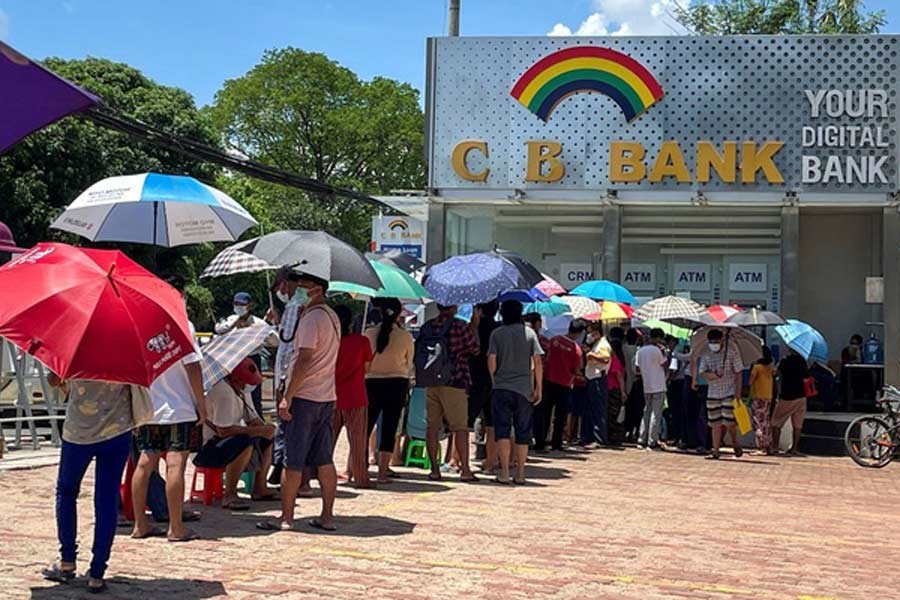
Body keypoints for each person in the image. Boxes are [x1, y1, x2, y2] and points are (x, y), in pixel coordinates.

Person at [260, 272, 341, 532]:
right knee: (324, 459)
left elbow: (304, 360)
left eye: (303, 287)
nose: (298, 292)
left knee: (292, 460)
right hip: (326, 397)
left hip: (304, 397)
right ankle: (327, 515)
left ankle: (286, 517)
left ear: (317, 289)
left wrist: (288, 397)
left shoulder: (311, 318)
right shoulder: (331, 316)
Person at [131, 274, 206, 543]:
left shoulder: (141, 325)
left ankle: (140, 524)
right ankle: (176, 527)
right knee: (176, 463)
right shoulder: (182, 325)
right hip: (180, 407)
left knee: (144, 463)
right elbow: (193, 366)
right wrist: (202, 405)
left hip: (148, 407)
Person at [42, 377, 135, 593]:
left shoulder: (75, 350)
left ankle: (67, 560)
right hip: (117, 430)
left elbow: (53, 380)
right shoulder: (126, 351)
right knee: (106, 500)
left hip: (78, 431)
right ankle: (97, 572)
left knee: (66, 492)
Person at [194, 358, 277, 509]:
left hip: (229, 440)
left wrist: (265, 428)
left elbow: (252, 419)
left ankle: (260, 486)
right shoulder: (222, 391)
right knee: (243, 442)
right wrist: (257, 430)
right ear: (236, 378)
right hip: (208, 448)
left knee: (268, 438)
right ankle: (230, 494)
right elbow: (224, 430)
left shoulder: (242, 391)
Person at [419, 304, 480, 482]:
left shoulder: (428, 326)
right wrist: (474, 327)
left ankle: (434, 469)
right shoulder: (459, 326)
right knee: (460, 427)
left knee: (432, 426)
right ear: (453, 306)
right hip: (455, 380)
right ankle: (465, 470)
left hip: (431, 380)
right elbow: (474, 349)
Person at [488, 300, 544, 484]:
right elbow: (537, 361)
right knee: (523, 432)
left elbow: (492, 361)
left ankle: (504, 471)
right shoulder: (529, 334)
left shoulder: (497, 334)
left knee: (502, 430)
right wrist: (538, 388)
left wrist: (493, 379)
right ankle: (520, 473)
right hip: (524, 390)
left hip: (501, 387)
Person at [364, 298, 413, 484]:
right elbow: (409, 363)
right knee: (390, 428)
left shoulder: (368, 333)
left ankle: (361, 467)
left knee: (366, 427)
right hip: (397, 383)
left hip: (371, 383)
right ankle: (383, 471)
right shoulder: (405, 336)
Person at [269, 266, 303, 485]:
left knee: (285, 426)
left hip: (287, 375)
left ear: (284, 283)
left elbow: (288, 343)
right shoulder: (298, 306)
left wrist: (282, 381)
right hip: (290, 374)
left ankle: (281, 468)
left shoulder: (295, 306)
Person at [334, 305, 375, 488]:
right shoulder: (362, 342)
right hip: (356, 396)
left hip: (332, 396)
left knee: (326, 442)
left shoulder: (330, 342)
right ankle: (360, 478)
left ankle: (320, 474)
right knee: (358, 442)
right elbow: (367, 369)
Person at [215, 292, 270, 417]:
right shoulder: (230, 320)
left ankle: (257, 422)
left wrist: (255, 332)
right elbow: (219, 330)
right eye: (236, 304)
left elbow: (274, 339)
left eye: (242, 304)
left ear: (249, 306)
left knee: (254, 395)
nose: (239, 307)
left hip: (251, 359)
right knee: (233, 393)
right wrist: (234, 325)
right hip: (233, 359)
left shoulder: (259, 323)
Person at [536, 319, 586, 452]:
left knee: (545, 413)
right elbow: (576, 369)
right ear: (579, 333)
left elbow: (546, 356)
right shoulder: (576, 350)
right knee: (560, 415)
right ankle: (556, 443)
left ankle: (540, 442)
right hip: (564, 384)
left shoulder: (554, 340)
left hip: (548, 380)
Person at [697, 329, 745, 460]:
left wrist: (738, 393)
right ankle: (716, 450)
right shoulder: (706, 355)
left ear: (722, 340)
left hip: (729, 391)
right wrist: (714, 375)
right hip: (713, 393)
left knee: (729, 422)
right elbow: (702, 372)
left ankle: (735, 441)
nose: (714, 344)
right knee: (715, 423)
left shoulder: (731, 352)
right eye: (711, 341)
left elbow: (739, 372)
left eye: (716, 341)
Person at [468, 300, 500, 472]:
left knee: (465, 421)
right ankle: (491, 460)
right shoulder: (499, 329)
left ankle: (457, 460)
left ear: (479, 309)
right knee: (492, 422)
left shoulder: (474, 328)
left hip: (474, 378)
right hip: (494, 379)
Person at [635, 328, 669, 450]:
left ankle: (641, 439)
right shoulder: (657, 350)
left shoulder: (641, 351)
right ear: (659, 338)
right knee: (656, 414)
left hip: (647, 385)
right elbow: (665, 364)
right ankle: (652, 440)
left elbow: (637, 368)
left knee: (646, 413)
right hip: (658, 385)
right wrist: (666, 352)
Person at [771, 348, 809, 456]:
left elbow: (776, 373)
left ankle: (775, 446)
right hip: (801, 396)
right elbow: (806, 377)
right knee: (797, 425)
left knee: (776, 422)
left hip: (787, 396)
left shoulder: (785, 360)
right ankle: (794, 448)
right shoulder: (802, 361)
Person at [582, 322, 610, 447]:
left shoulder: (603, 344)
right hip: (592, 377)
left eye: (591, 332)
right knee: (591, 409)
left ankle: (599, 438)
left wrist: (592, 355)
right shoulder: (596, 344)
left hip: (598, 378)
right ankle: (590, 436)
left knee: (598, 409)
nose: (590, 335)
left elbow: (605, 359)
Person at [748, 346, 775, 455]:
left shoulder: (757, 367)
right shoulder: (771, 367)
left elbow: (750, 381)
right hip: (768, 396)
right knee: (766, 421)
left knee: (758, 421)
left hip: (758, 396)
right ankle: (768, 445)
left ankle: (761, 447)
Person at [607, 335, 628, 446]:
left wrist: (622, 391)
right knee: (615, 415)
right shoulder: (620, 359)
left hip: (613, 389)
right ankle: (615, 437)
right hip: (614, 389)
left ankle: (613, 437)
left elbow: (619, 376)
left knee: (612, 414)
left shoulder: (614, 359)